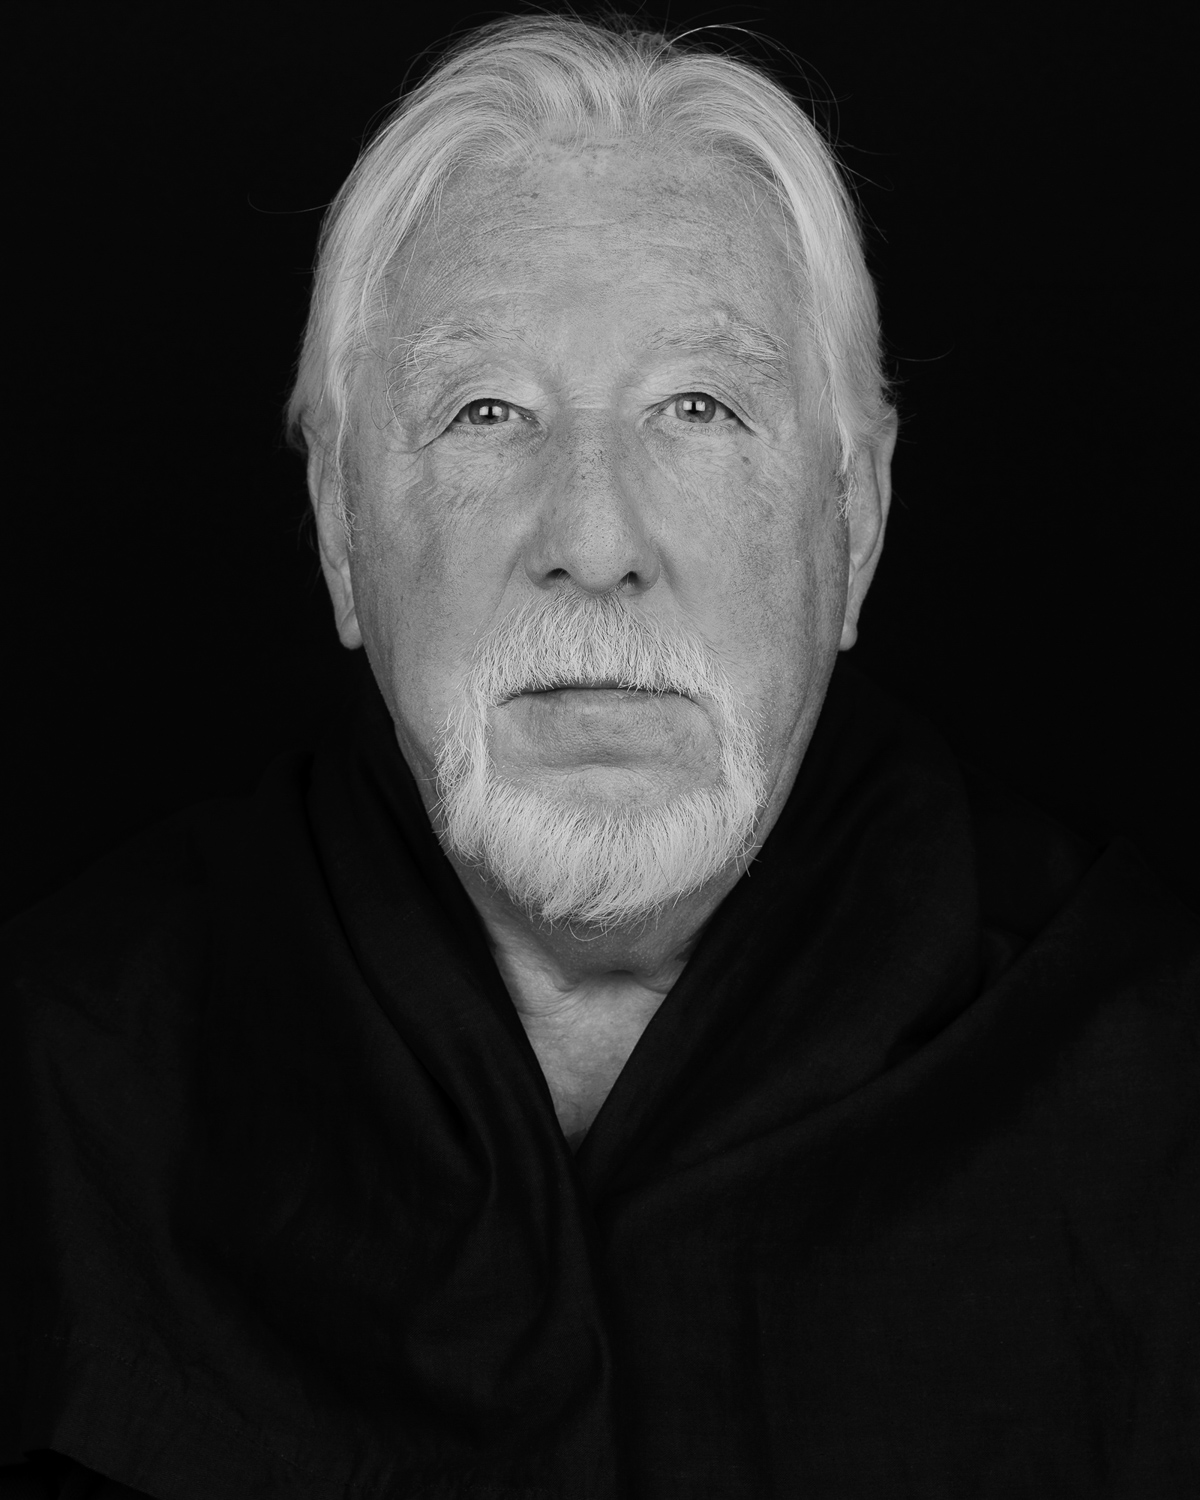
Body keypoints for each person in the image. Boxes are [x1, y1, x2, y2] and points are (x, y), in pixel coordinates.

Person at [2, 14, 1195, 1498]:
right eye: (485, 412)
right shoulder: (56, 1098)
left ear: (861, 517)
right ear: (338, 533)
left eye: (699, 409)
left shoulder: (1157, 1097)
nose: (592, 538)